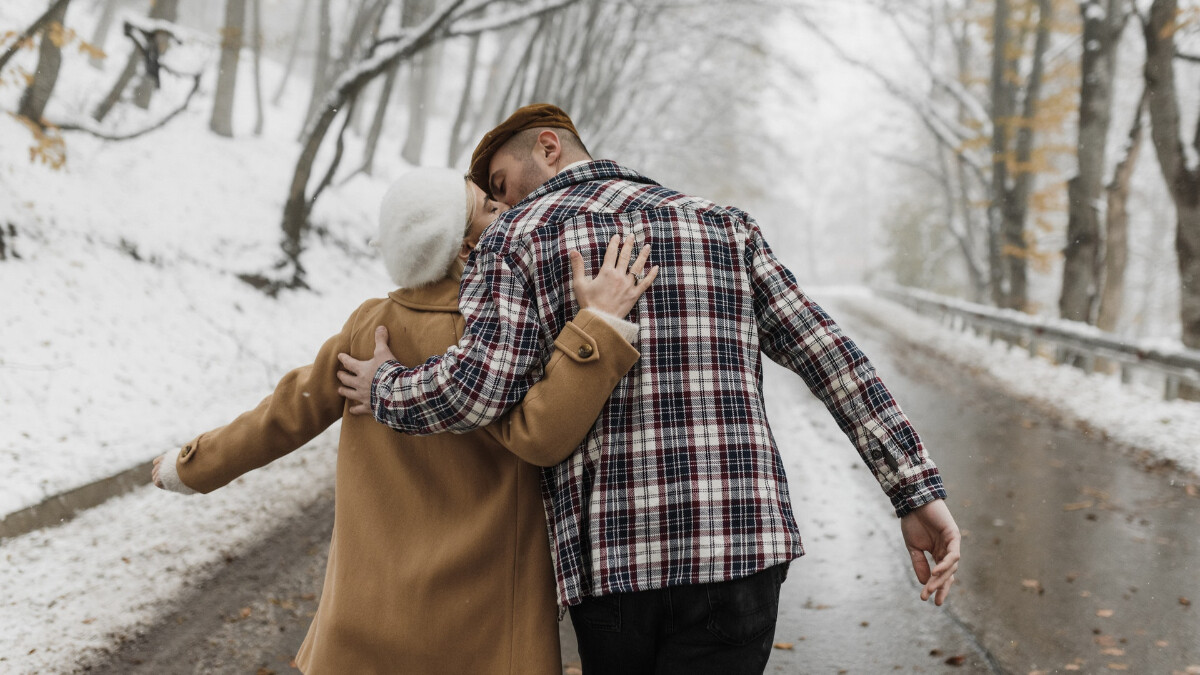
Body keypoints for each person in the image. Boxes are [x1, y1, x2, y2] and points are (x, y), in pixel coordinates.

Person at [337, 104, 961, 675]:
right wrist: (913, 490)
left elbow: (478, 389)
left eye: (501, 183)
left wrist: (384, 387)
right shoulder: (724, 226)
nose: (502, 204)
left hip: (615, 561)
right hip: (740, 547)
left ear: (548, 147)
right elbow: (830, 357)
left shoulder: (517, 238)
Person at [150, 167, 659, 674]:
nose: (507, 209)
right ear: (465, 248)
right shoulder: (504, 335)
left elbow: (285, 414)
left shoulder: (370, 327)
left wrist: (192, 465)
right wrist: (601, 326)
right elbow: (547, 428)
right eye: (489, 207)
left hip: (366, 620)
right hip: (481, 625)